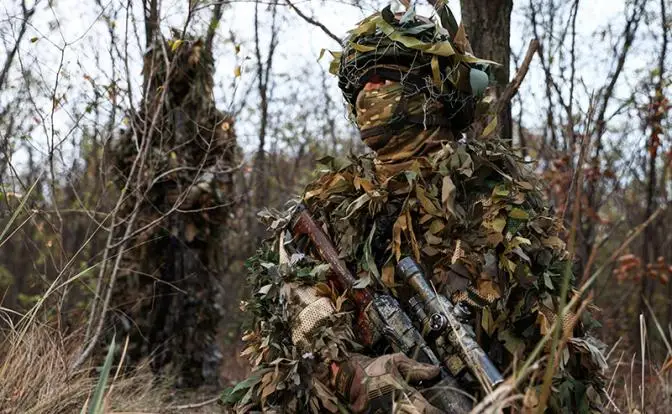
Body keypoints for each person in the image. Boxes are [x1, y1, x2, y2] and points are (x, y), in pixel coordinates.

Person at [223, 3, 607, 413]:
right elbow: (289, 323)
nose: (371, 92)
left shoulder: (502, 203)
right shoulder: (327, 206)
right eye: (362, 84)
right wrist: (353, 374)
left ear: (435, 91)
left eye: (387, 76)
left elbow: (560, 350)